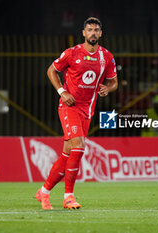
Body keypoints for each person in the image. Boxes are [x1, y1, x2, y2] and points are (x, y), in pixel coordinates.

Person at [35, 17, 118, 210]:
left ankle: (44, 192)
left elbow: (114, 81)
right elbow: (51, 71)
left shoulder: (107, 57)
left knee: (67, 154)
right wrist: (62, 92)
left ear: (100, 33)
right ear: (83, 33)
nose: (93, 33)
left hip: (87, 110)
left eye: (96, 30)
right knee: (79, 147)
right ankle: (68, 197)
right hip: (69, 107)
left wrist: (109, 88)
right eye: (89, 30)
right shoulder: (71, 53)